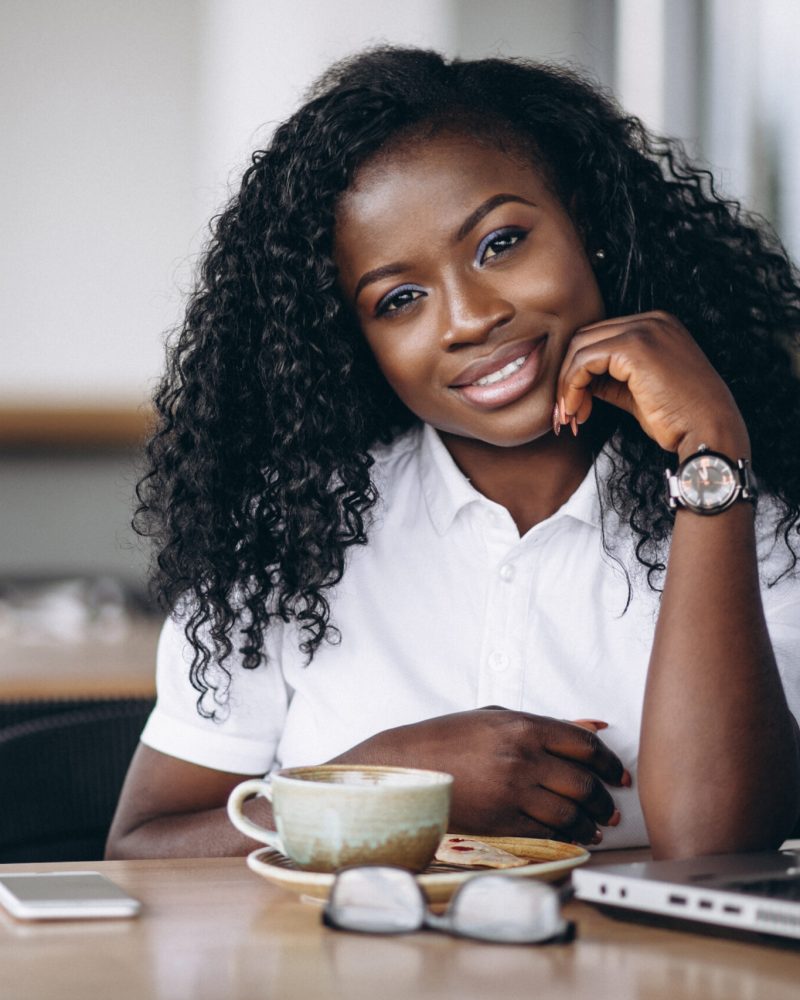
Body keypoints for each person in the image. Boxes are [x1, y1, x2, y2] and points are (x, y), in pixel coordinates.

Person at [106, 47, 800, 862]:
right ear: (351, 341)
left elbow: (718, 846)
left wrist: (711, 457)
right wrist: (379, 783)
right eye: (399, 300)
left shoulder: (757, 517)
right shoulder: (285, 541)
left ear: (589, 223)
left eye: (500, 244)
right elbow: (143, 849)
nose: (468, 318)